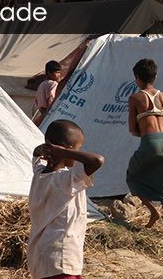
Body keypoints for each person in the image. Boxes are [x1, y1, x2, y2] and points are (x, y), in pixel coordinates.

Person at [28, 120, 104, 279]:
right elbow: (97, 160)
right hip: (61, 259)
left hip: (42, 259)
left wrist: (46, 149)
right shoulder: (67, 180)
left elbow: (36, 154)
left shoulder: (39, 173)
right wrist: (64, 153)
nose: (79, 152)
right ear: (67, 150)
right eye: (78, 148)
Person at [126, 58, 163, 241]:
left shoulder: (135, 98)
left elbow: (132, 129)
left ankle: (152, 211)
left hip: (149, 142)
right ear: (155, 76)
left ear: (137, 78)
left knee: (132, 176)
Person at [32, 61, 62, 126]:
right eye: (57, 73)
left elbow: (37, 100)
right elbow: (51, 98)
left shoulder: (42, 84)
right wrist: (50, 113)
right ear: (49, 73)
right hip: (48, 114)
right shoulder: (54, 84)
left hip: (42, 113)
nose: (59, 75)